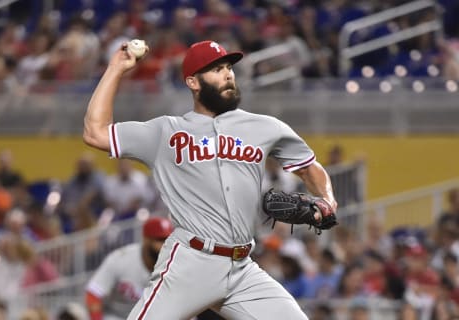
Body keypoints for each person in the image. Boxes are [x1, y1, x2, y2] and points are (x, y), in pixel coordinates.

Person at [83, 39, 337, 319]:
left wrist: (328, 199)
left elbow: (308, 167)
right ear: (193, 82)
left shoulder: (264, 127)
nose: (228, 73)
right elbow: (96, 133)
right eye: (216, 69)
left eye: (229, 67)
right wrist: (116, 69)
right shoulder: (166, 132)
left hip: (242, 269)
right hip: (191, 263)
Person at [85, 216, 174, 320]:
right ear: (146, 240)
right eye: (160, 240)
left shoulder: (174, 265)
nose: (165, 245)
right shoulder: (121, 259)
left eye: (168, 240)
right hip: (115, 316)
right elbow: (93, 293)